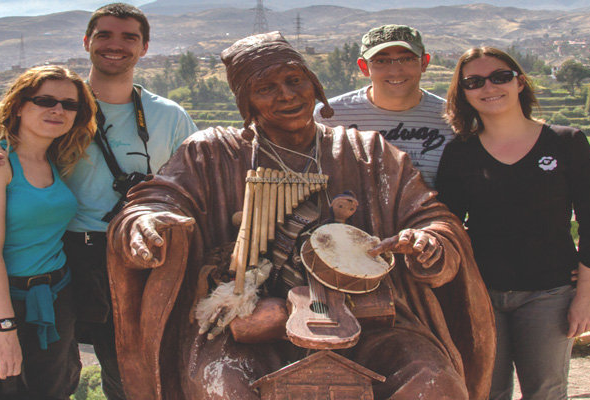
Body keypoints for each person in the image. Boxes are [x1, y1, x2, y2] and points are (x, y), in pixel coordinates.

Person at [106, 32, 495, 400]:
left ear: (315, 84)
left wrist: (430, 240)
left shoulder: (368, 152)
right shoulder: (210, 153)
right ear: (246, 102)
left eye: (295, 80)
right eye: (266, 89)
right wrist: (146, 222)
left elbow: (431, 216)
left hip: (366, 314)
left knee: (433, 380)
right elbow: (157, 199)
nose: (287, 95)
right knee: (220, 386)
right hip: (248, 316)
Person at [0, 4, 198, 399]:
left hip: (129, 259)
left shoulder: (168, 116)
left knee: (125, 373)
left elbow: (194, 186)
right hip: (67, 256)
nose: (115, 45)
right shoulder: (63, 107)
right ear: (86, 42)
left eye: (129, 37)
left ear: (145, 47)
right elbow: (7, 159)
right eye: (104, 35)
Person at [433, 47, 590, 400]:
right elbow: (448, 224)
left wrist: (587, 297)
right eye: (474, 81)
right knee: (485, 392)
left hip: (549, 294)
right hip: (479, 294)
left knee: (545, 392)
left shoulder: (566, 143)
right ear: (463, 93)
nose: (489, 87)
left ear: (519, 82)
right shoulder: (460, 152)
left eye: (500, 76)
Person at [0, 65, 96, 399]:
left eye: (70, 105)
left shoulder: (57, 159)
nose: (59, 110)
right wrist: (5, 327)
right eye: (46, 100)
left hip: (52, 299)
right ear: (19, 105)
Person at [315, 24, 452, 184]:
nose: (395, 71)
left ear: (424, 63)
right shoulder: (330, 117)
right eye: (381, 61)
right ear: (364, 67)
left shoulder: (451, 118)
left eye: (407, 59)